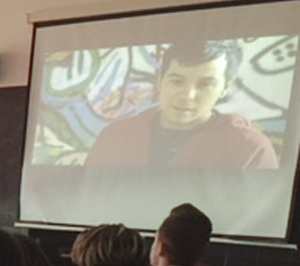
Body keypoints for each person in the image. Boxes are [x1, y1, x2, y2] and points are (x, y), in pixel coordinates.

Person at [86, 39, 278, 169]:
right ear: (161, 79)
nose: (188, 95)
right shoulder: (116, 136)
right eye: (177, 81)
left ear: (226, 87)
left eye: (205, 84)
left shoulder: (251, 147)